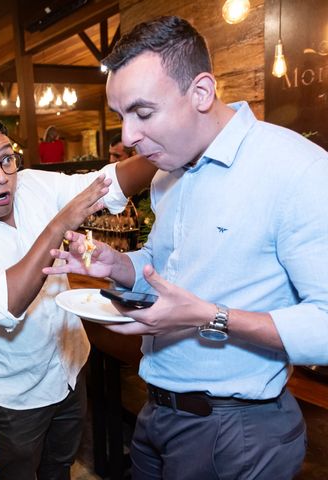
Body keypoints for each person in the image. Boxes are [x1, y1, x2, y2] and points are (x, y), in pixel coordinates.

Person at [45, 15, 328, 480]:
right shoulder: (167, 174)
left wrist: (208, 316)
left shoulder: (295, 170)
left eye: (143, 112)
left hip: (237, 429)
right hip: (158, 410)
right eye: (121, 116)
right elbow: (166, 264)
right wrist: (119, 266)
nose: (127, 137)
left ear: (200, 92)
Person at [0, 111, 156, 479]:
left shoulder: (31, 184)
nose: (1, 178)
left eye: (7, 160)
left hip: (69, 368)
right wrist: (59, 223)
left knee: (59, 468)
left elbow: (105, 183)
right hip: (16, 394)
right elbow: (3, 302)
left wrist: (167, 151)